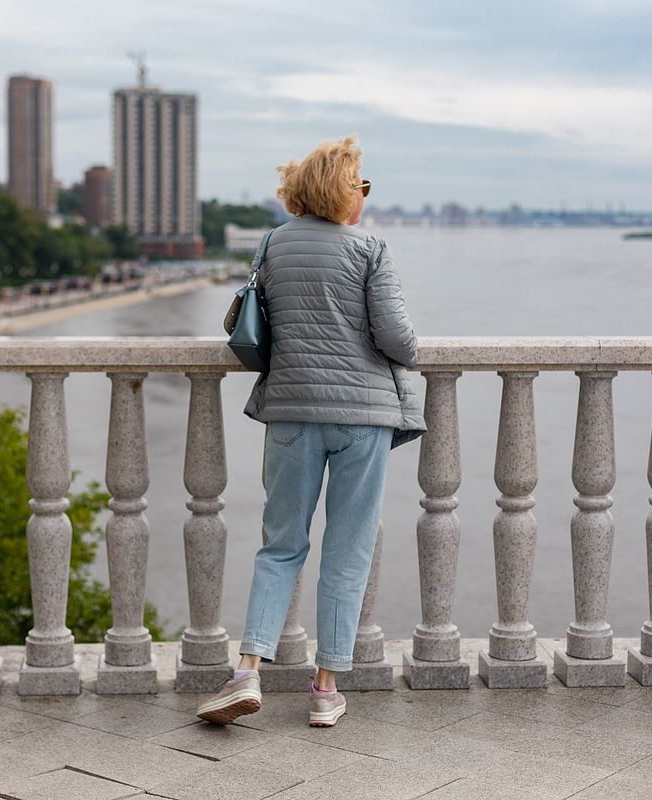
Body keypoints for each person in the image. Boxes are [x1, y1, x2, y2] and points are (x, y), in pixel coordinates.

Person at [196, 136, 426, 728]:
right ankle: (325, 690)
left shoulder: (272, 244)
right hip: (362, 416)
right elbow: (398, 340)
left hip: (292, 412)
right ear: (346, 191)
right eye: (362, 186)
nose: (365, 198)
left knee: (280, 545)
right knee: (347, 549)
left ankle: (247, 670)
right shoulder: (371, 247)